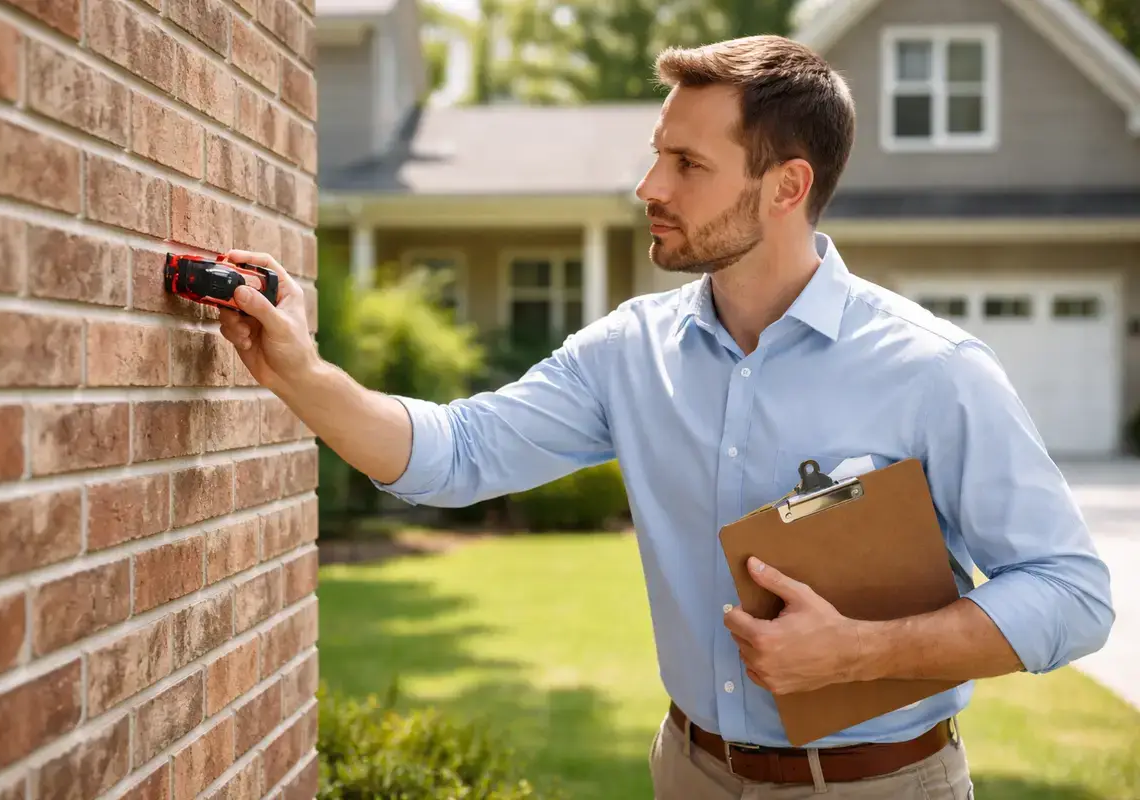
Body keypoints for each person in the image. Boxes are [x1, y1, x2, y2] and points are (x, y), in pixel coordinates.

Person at [217, 34, 1114, 800]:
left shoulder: (933, 371)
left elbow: (1070, 596)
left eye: (688, 164)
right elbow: (457, 454)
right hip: (687, 771)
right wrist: (299, 369)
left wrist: (856, 654)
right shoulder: (628, 352)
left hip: (878, 783)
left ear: (786, 186)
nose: (650, 183)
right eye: (658, 153)